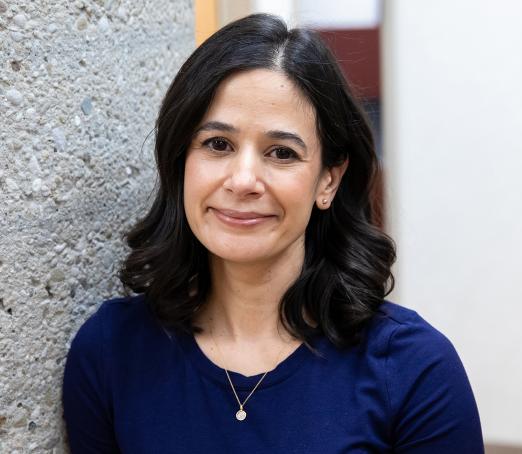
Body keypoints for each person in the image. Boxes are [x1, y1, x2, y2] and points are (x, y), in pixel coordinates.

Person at [62, 13, 483, 453]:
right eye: (217, 145)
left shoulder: (415, 368)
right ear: (180, 159)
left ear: (328, 181)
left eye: (281, 153)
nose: (243, 180)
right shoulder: (110, 352)